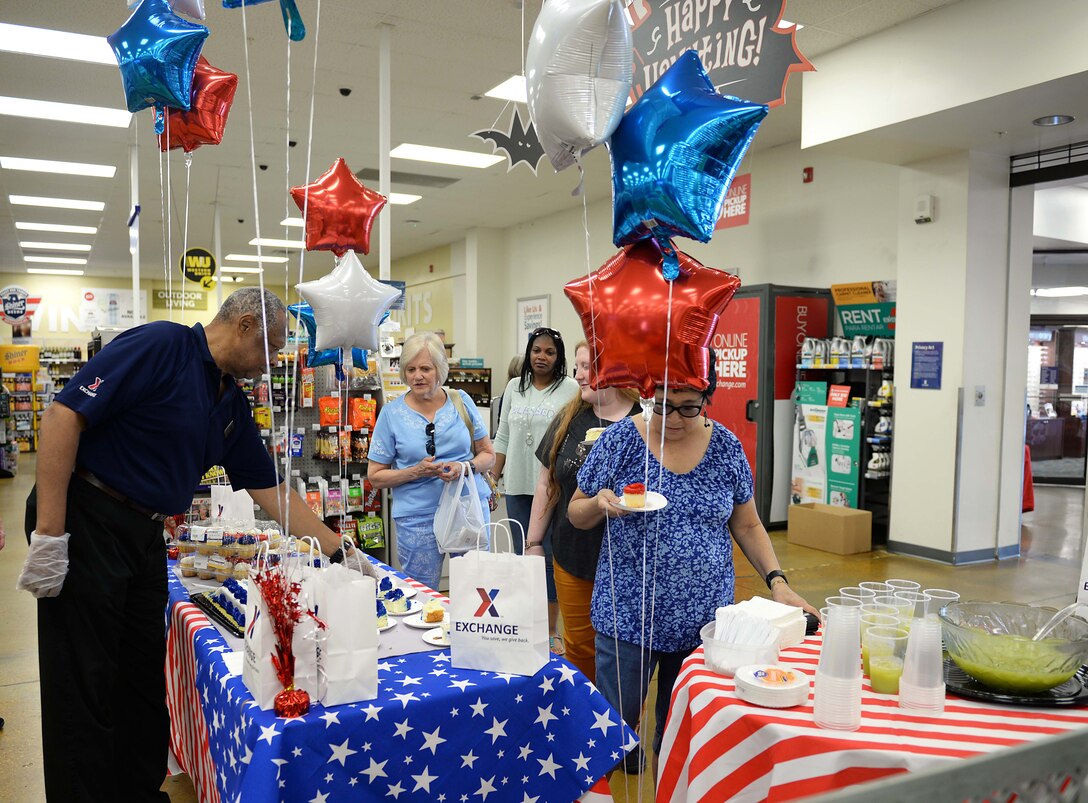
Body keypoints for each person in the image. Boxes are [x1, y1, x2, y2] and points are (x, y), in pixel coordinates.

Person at [16, 288, 368, 802]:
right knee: (83, 682)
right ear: (245, 325)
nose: (271, 367)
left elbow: (272, 492)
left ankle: (138, 791)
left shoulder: (228, 397)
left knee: (139, 678)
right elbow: (62, 416)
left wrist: (341, 550)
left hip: (143, 534)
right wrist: (50, 535)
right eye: (270, 350)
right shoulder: (162, 346)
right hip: (87, 516)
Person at [568, 354, 818, 778]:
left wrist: (778, 582)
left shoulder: (725, 447)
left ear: (708, 398)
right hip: (629, 615)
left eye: (688, 406)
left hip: (704, 622)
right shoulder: (620, 442)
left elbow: (748, 522)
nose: (673, 417)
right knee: (613, 729)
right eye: (662, 404)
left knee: (682, 732)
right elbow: (576, 512)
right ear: (648, 395)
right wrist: (599, 504)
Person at [525, 342, 640, 682]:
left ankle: (623, 726)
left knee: (624, 658)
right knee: (579, 649)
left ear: (616, 370)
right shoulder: (570, 417)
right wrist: (534, 542)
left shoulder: (645, 422)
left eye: (588, 367)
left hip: (627, 564)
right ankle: (585, 723)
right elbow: (547, 483)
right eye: (577, 367)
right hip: (573, 555)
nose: (579, 376)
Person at [368, 331, 495, 590]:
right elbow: (375, 476)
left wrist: (465, 467)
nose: (417, 376)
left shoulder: (462, 401)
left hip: (466, 509)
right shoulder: (391, 415)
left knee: (476, 591)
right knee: (421, 594)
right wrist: (416, 472)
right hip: (417, 517)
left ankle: (466, 633)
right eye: (411, 369)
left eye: (425, 368)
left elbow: (488, 455)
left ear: (440, 370)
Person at [492, 327, 578, 652]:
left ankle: (552, 628)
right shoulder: (515, 387)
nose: (542, 357)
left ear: (559, 358)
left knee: (548, 556)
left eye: (549, 352)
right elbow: (502, 436)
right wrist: (493, 477)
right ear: (528, 353)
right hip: (516, 484)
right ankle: (526, 622)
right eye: (536, 350)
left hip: (552, 486)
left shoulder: (570, 388)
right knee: (521, 555)